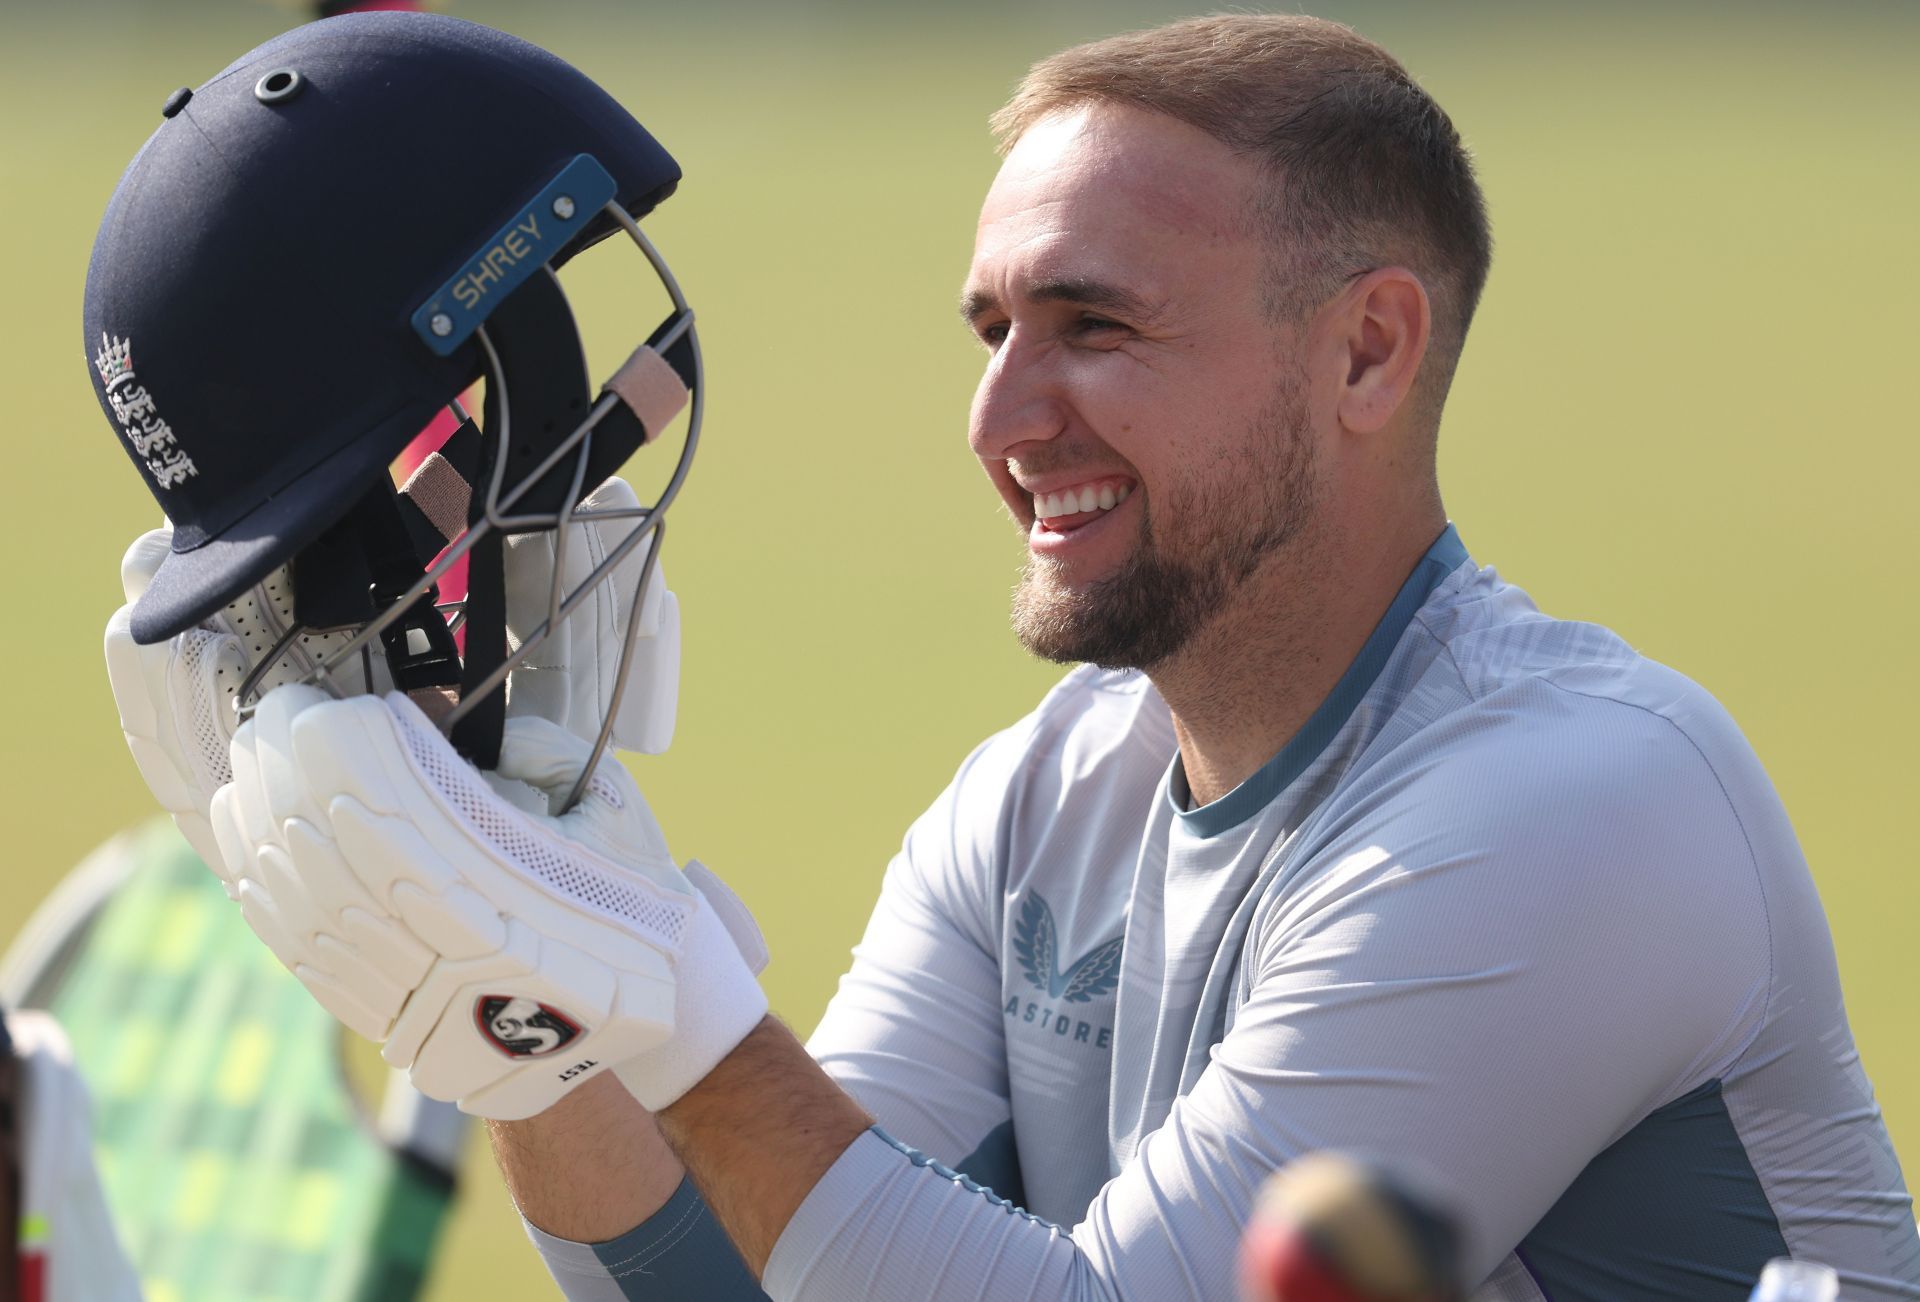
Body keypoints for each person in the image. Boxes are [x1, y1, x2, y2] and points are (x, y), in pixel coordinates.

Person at [93, 12, 1920, 1301]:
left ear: (1368, 354)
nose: (998, 415)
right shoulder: (1036, 802)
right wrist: (535, 1034)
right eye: (989, 328)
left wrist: (681, 1009)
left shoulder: (1577, 810)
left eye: (1094, 325)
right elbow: (773, 1276)